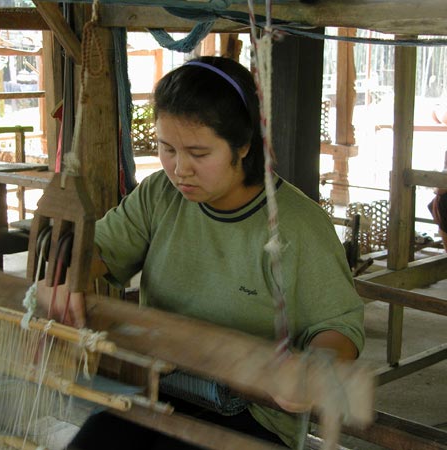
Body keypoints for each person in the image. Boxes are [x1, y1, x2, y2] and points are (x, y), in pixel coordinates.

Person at [39, 56, 365, 449]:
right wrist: (66, 277)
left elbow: (338, 328)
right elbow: (100, 250)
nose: (179, 170)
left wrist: (313, 369)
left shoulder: (299, 227)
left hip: (251, 410)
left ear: (243, 146)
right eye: (167, 149)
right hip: (156, 388)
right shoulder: (159, 195)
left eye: (198, 153)